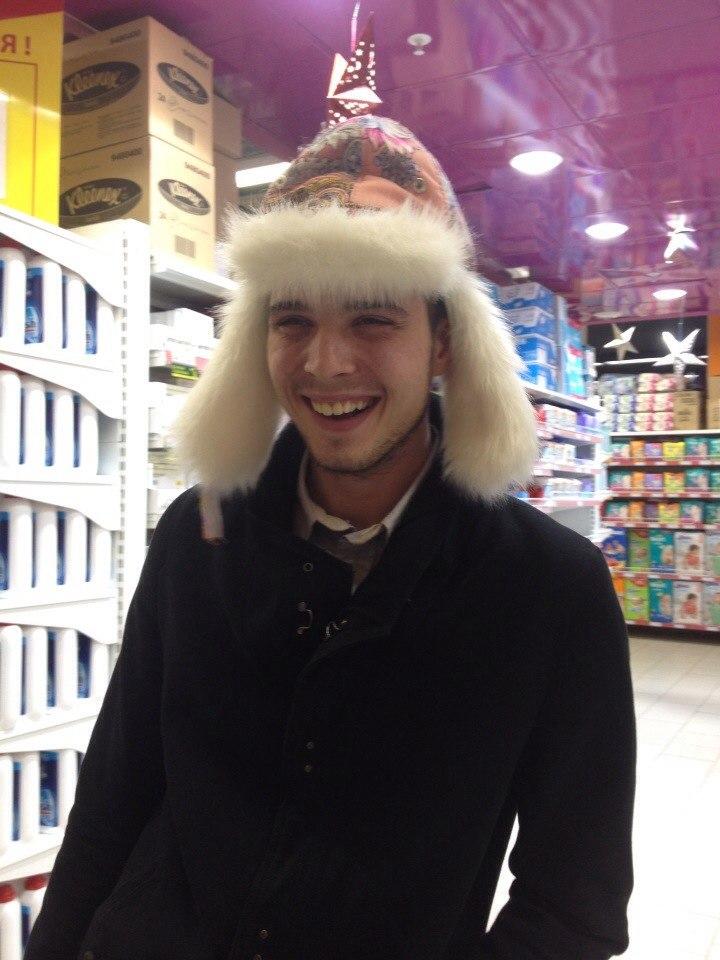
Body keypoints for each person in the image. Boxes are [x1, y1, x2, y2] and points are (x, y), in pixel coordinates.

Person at [25, 115, 636, 960]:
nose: (325, 363)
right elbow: (113, 798)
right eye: (292, 321)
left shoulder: (549, 588)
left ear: (443, 342)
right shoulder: (195, 537)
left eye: (373, 320)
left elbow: (573, 907)